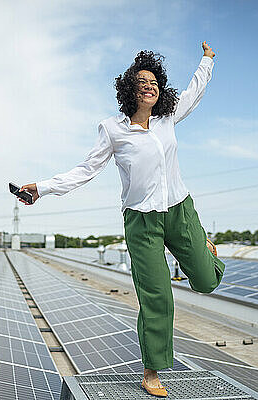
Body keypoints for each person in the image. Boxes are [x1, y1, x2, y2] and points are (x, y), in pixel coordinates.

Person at [19, 42, 225, 398]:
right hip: (141, 223)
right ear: (130, 88)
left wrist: (206, 60)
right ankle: (152, 372)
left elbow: (195, 91)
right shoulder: (113, 129)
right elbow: (86, 170)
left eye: (155, 81)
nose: (149, 85)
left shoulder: (167, 119)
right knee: (157, 296)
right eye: (142, 81)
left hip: (179, 210)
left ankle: (205, 248)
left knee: (207, 281)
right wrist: (43, 188)